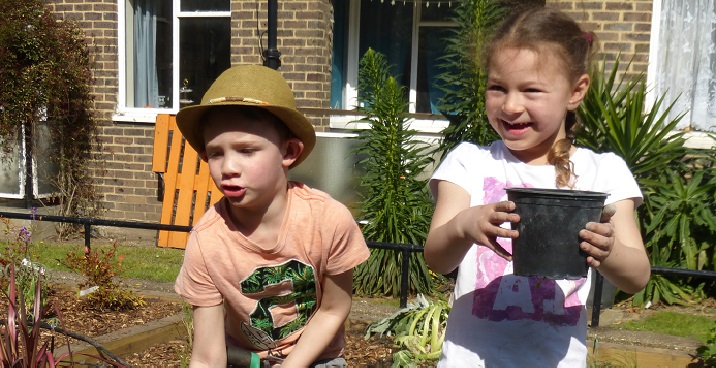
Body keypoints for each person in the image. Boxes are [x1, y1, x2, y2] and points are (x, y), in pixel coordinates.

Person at [424, 7, 651, 367]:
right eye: (497, 87)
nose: (511, 105)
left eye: (531, 90)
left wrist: (607, 251)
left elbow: (637, 275)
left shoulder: (603, 172)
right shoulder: (469, 162)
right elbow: (437, 257)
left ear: (575, 91)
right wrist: (464, 224)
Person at [174, 65, 370, 368]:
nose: (228, 167)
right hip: (244, 359)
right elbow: (207, 356)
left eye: (246, 150)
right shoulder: (207, 242)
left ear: (288, 151)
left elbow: (333, 309)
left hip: (318, 358)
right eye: (216, 153)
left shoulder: (328, 220)